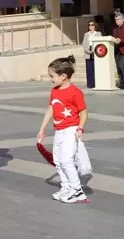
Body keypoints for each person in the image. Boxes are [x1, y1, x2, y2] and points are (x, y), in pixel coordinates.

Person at [37, 56, 88, 203]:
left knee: (66, 161)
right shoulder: (55, 91)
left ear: (64, 76)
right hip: (59, 131)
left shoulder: (75, 92)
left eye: (52, 76)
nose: (50, 79)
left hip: (70, 130)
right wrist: (42, 128)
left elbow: (83, 112)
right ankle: (66, 188)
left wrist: (80, 128)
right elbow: (51, 109)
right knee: (58, 161)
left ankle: (77, 190)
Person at [82, 21, 101, 89]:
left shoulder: (98, 34)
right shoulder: (86, 34)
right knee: (89, 69)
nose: (91, 26)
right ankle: (90, 84)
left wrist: (94, 50)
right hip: (87, 53)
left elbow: (100, 43)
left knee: (95, 69)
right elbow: (84, 43)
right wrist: (87, 50)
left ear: (95, 26)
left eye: (92, 25)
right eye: (89, 25)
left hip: (95, 53)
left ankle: (96, 83)